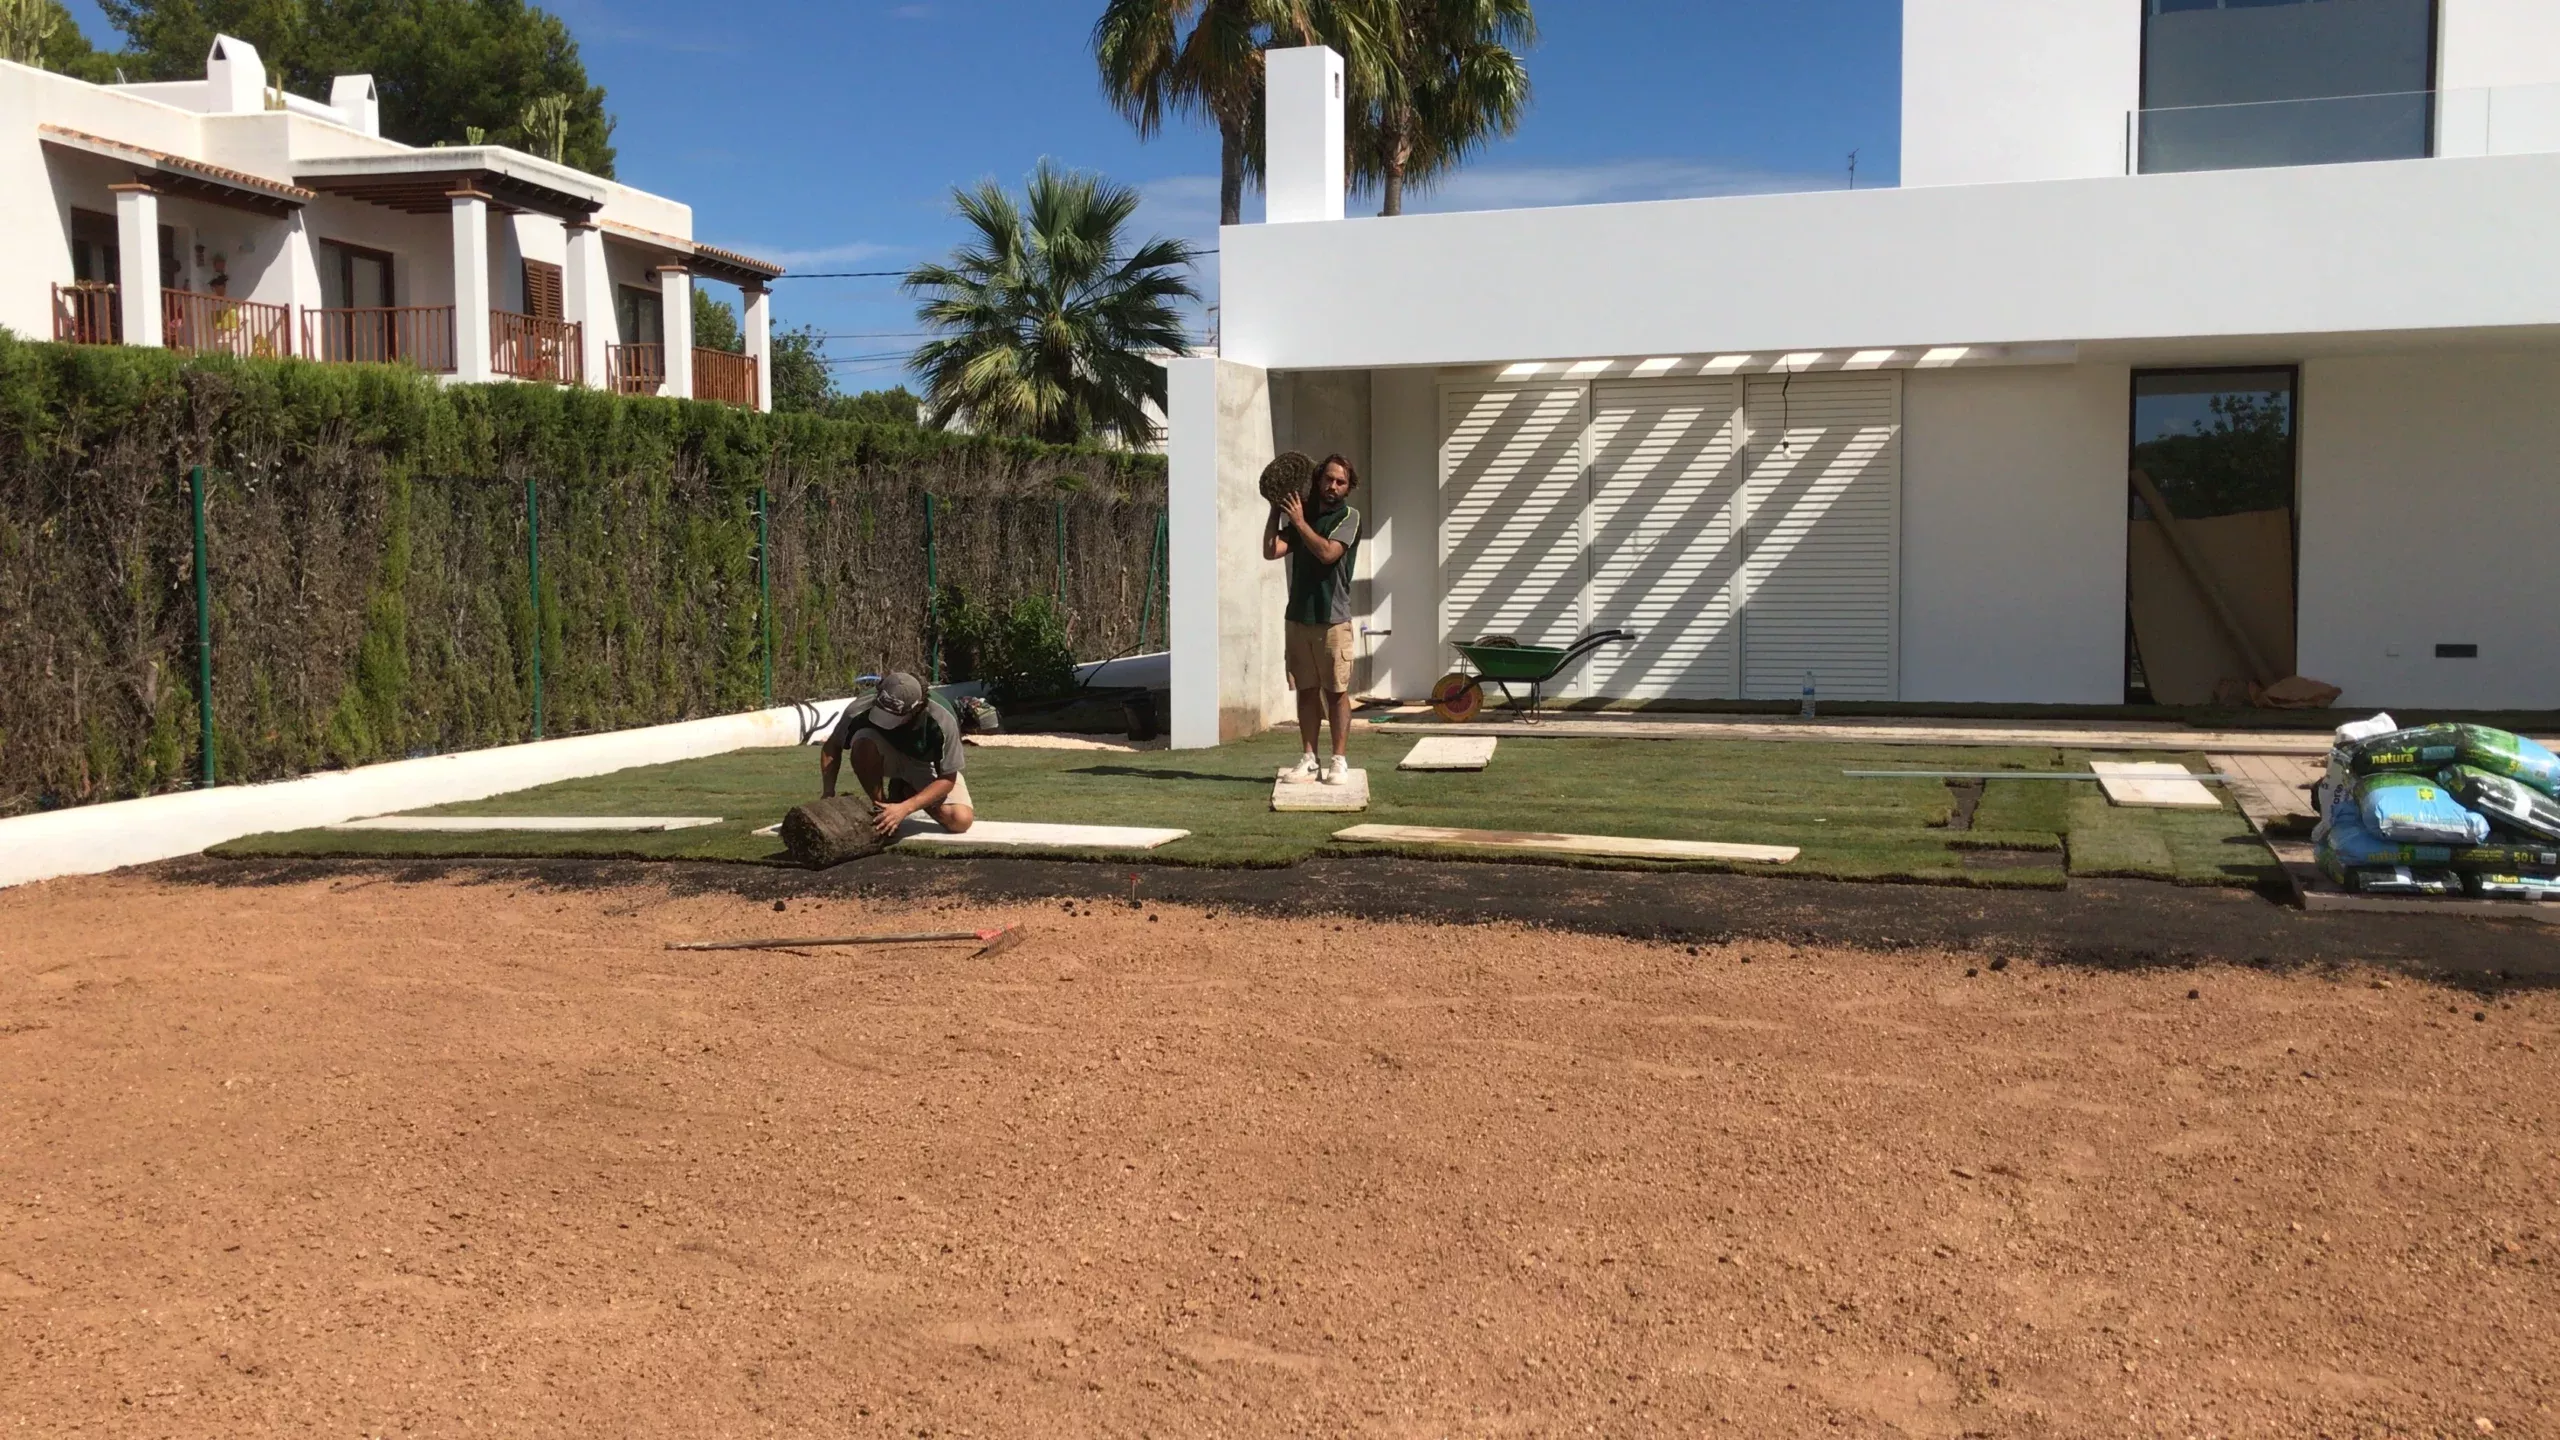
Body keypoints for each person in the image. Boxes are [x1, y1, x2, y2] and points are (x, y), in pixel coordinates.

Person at [1265, 453, 1361, 784]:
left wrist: (1300, 522)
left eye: (1340, 482)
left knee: (1335, 692)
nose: (1333, 486)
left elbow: (1327, 553)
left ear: (1348, 488)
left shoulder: (1349, 517)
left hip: (1333, 619)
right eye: (1328, 479)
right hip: (1298, 618)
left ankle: (1339, 760)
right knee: (1305, 691)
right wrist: (1276, 509)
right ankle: (1309, 758)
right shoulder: (1301, 514)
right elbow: (1271, 550)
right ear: (1318, 479)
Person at [818, 671, 975, 837]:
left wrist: (906, 807)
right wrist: (828, 793)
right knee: (863, 744)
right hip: (883, 755)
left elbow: (947, 778)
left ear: (917, 708)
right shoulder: (859, 708)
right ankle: (881, 809)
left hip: (922, 763)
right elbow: (832, 746)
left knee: (960, 820)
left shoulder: (943, 718)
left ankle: (905, 791)